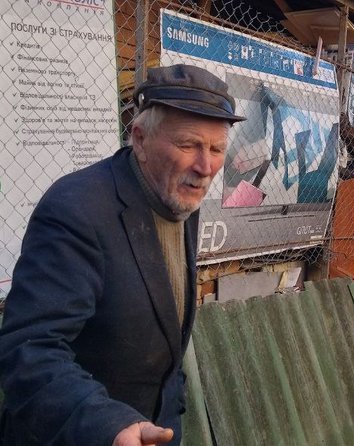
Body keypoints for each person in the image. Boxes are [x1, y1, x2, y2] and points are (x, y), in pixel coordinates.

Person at [0, 64, 245, 445]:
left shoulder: (181, 200)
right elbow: (29, 349)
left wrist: (171, 404)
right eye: (188, 145)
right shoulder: (76, 210)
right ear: (140, 140)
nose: (206, 166)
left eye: (217, 149)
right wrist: (109, 424)